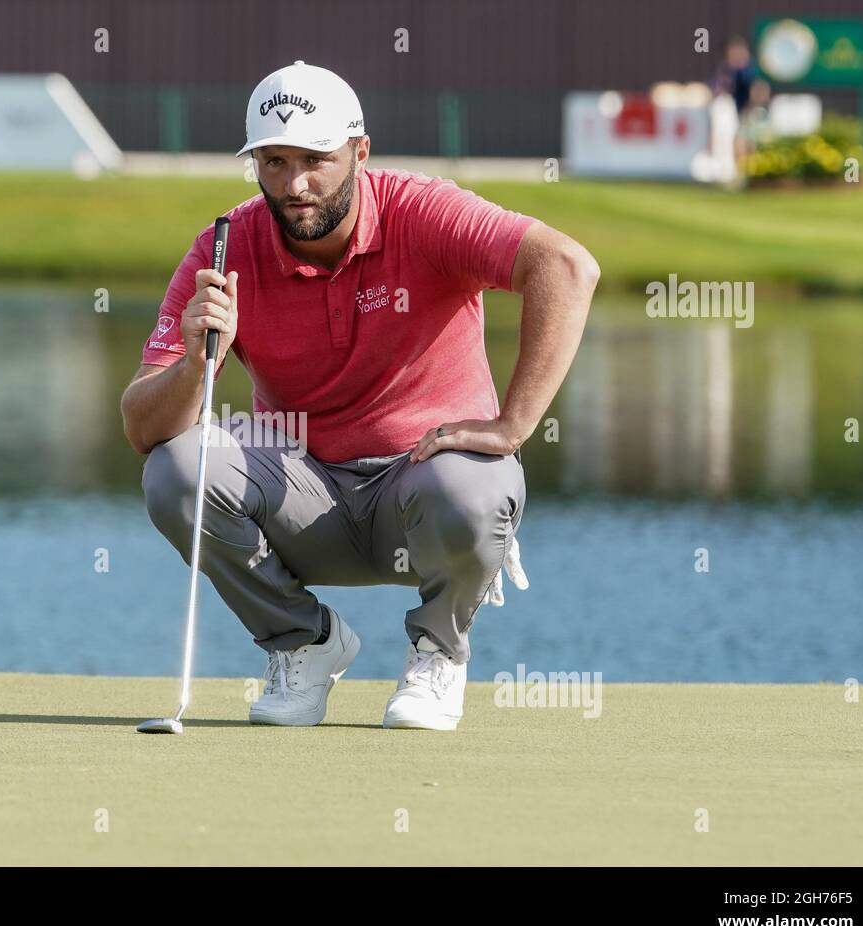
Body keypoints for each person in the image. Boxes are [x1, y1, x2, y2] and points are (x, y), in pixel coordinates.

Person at [121, 62, 598, 730]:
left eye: (316, 159)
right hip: (303, 498)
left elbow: (567, 266)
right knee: (175, 469)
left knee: (471, 486)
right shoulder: (225, 247)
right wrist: (202, 355)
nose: (296, 185)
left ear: (359, 152)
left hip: (424, 491)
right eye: (275, 161)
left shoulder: (421, 212)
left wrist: (512, 425)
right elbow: (143, 426)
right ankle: (303, 644)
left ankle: (438, 654)